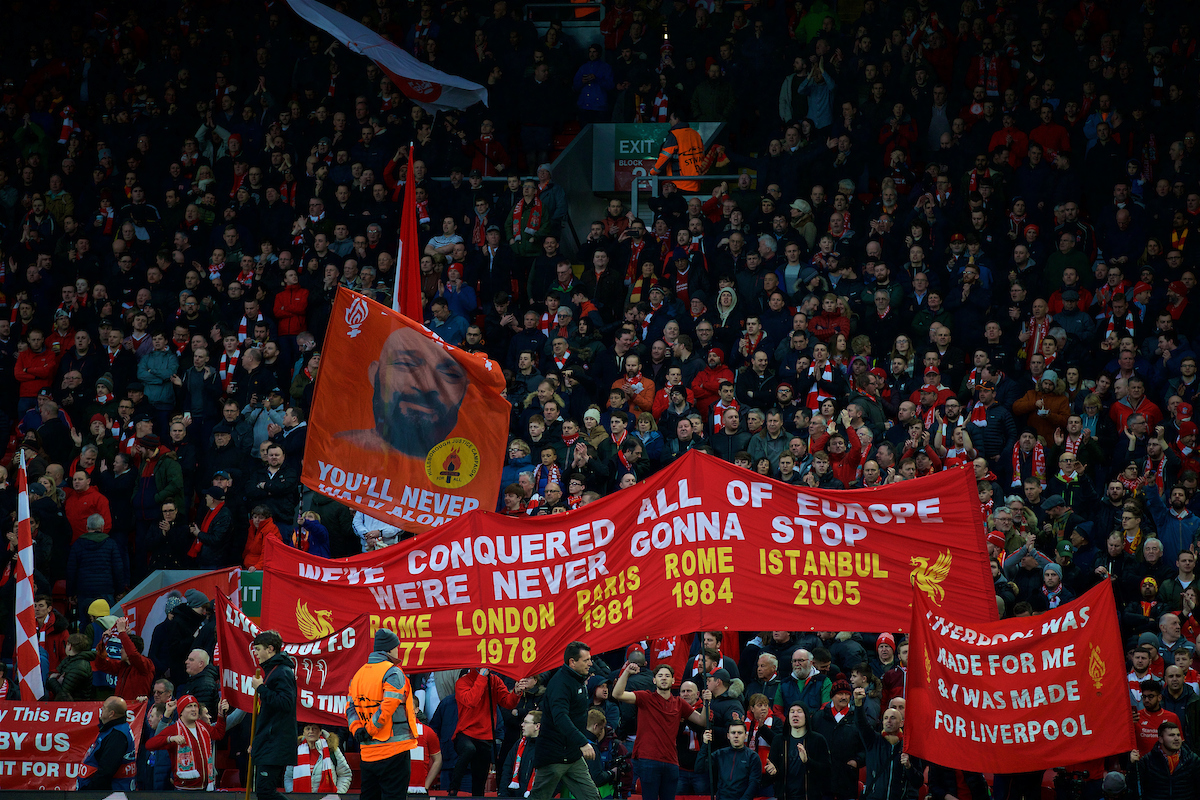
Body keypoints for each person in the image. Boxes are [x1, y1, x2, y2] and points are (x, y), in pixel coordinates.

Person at [611, 661, 706, 800]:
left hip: (672, 762)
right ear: (654, 680)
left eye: (667, 675)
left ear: (673, 680)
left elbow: (702, 721)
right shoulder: (645, 697)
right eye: (660, 675)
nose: (663, 678)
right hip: (648, 760)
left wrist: (708, 702)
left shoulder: (680, 703)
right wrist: (626, 672)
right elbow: (617, 694)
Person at [348, 629, 421, 800]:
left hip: (367, 753)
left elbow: (350, 708)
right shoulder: (393, 672)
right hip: (393, 751)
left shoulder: (358, 675)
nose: (398, 650)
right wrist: (371, 730)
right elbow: (388, 705)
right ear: (389, 650)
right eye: (397, 647)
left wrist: (358, 731)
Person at [529, 641, 602, 800]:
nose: (590, 663)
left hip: (573, 756)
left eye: (590, 659)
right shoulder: (560, 683)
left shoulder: (578, 679)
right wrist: (582, 742)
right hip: (554, 755)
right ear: (572, 662)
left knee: (592, 797)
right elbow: (560, 718)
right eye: (586, 660)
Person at [249, 630, 298, 800]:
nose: (255, 653)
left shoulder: (282, 671)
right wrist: (256, 742)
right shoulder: (273, 671)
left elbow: (286, 703)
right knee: (263, 792)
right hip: (268, 742)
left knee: (265, 791)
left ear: (270, 649)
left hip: (275, 742)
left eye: (258, 649)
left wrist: (261, 688)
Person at [146, 694, 230, 790]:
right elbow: (150, 745)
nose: (194, 709)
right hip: (184, 789)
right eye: (189, 706)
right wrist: (170, 739)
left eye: (195, 706)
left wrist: (221, 714)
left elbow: (218, 734)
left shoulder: (202, 726)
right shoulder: (174, 729)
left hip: (207, 787)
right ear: (181, 711)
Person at [852, 686, 921, 800]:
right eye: (886, 718)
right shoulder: (873, 741)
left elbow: (918, 782)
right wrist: (858, 704)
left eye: (893, 718)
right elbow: (861, 724)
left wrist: (909, 767)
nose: (888, 721)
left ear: (901, 723)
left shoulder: (909, 746)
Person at [765, 703, 832, 800]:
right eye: (792, 711)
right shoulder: (778, 740)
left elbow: (826, 771)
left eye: (799, 711)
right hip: (784, 796)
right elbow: (772, 772)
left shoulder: (817, 740)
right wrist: (772, 772)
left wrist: (807, 761)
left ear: (806, 717)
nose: (795, 714)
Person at [77, 696, 137, 790]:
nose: (101, 709)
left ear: (111, 714)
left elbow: (106, 770)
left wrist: (90, 791)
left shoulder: (117, 735)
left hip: (111, 792)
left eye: (104, 708)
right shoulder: (113, 729)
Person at [1129, 721, 1199, 799]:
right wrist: (1133, 766)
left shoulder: (1192, 759)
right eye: (1171, 735)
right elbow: (1134, 787)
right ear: (1161, 739)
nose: (1176, 738)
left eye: (1178, 735)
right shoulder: (1147, 761)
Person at [696, 721, 761, 800]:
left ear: (745, 736)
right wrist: (705, 744)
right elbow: (699, 768)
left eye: (739, 733)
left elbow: (754, 784)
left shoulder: (753, 757)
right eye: (733, 733)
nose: (736, 736)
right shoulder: (720, 754)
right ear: (728, 736)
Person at [284, 724, 353, 793]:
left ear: (320, 732)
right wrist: (293, 795)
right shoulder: (296, 751)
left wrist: (338, 794)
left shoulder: (332, 749)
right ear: (303, 733)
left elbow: (345, 774)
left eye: (314, 728)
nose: (311, 731)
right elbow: (288, 777)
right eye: (308, 729)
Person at [498, 711, 540, 798]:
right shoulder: (519, 744)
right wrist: (503, 795)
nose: (522, 725)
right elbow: (507, 770)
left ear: (537, 726)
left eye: (526, 722)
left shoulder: (548, 748)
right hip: (515, 796)